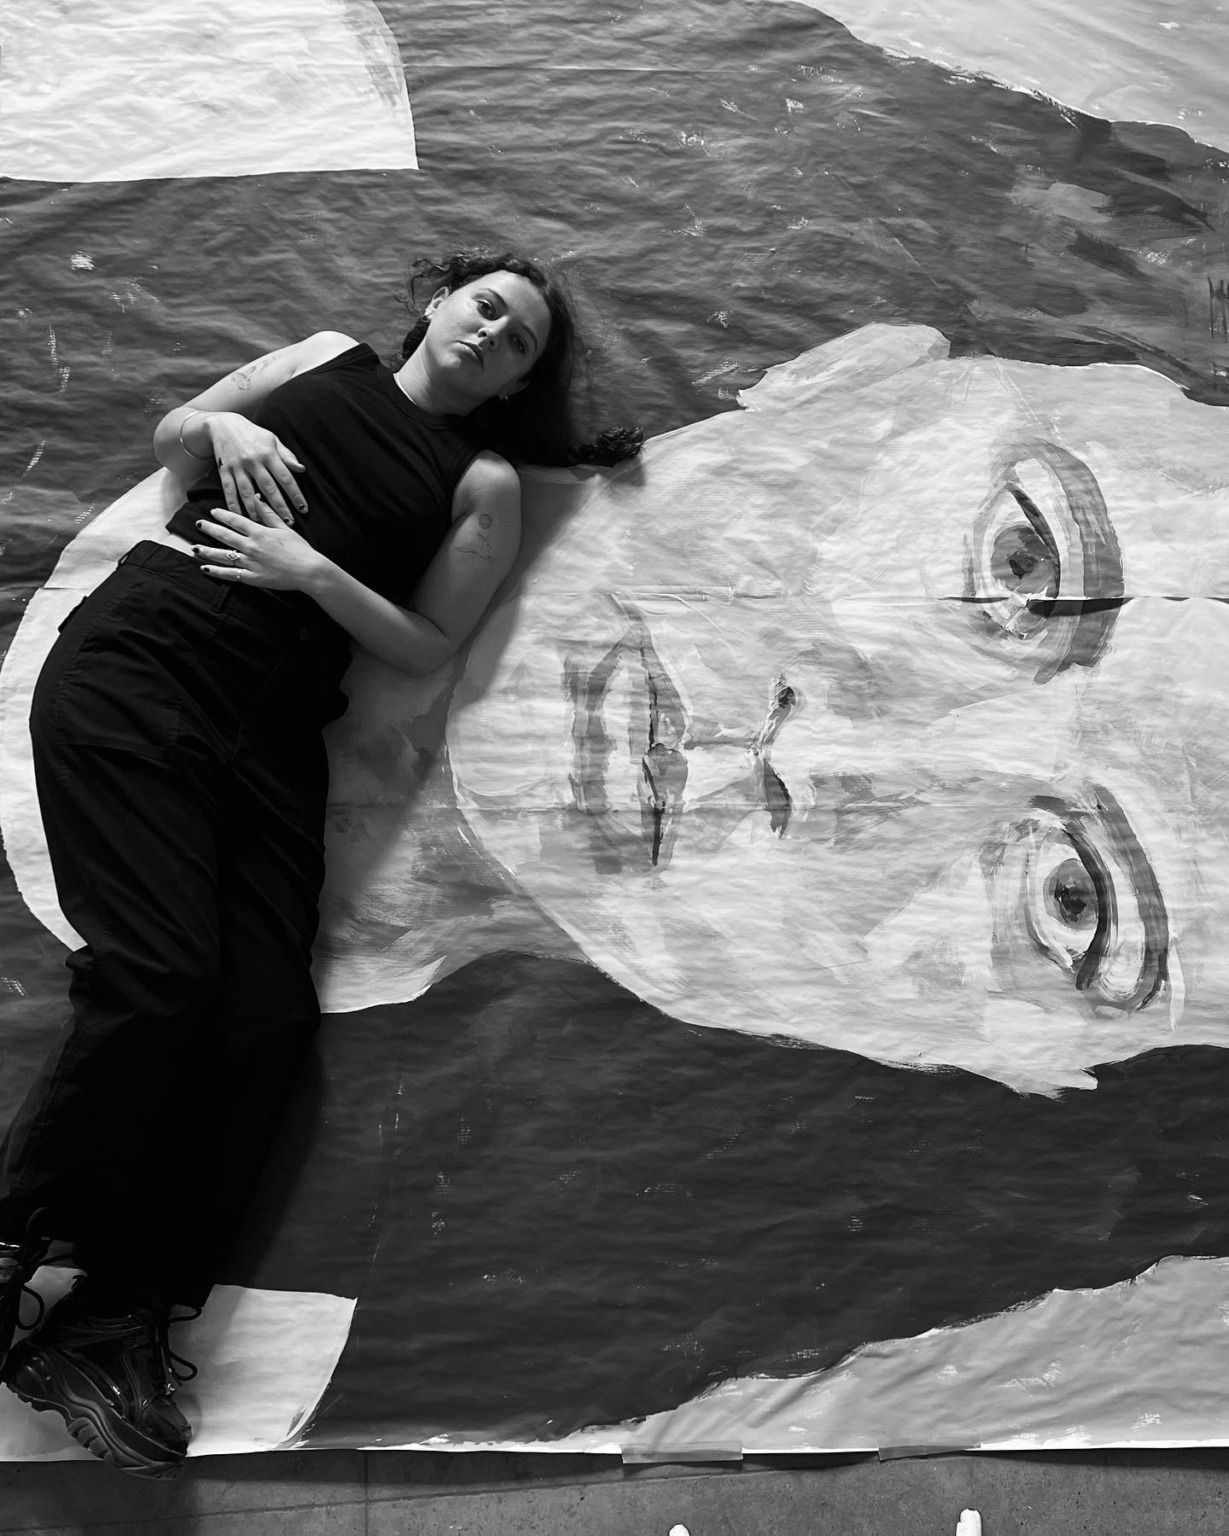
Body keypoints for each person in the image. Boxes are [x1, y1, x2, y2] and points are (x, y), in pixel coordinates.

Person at [0, 247, 640, 1479]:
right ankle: (14, 1242)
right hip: (144, 664)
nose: (493, 333)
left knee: (262, 1018)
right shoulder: (321, 363)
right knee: (160, 978)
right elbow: (175, 435)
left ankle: (114, 1321)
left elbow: (426, 641)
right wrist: (222, 430)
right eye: (485, 306)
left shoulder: (483, 480)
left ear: (517, 381)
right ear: (436, 305)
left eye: (518, 340)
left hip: (271, 730)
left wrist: (308, 571)